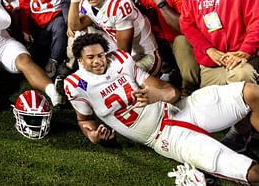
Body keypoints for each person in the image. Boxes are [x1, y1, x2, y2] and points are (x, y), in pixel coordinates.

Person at [64, 32, 259, 184]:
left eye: (100, 55)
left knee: (252, 92)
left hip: (181, 108)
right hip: (163, 137)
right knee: (253, 174)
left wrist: (159, 95)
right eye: (90, 58)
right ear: (80, 61)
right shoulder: (77, 85)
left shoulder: (121, 61)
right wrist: (93, 136)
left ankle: (240, 136)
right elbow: (84, 120)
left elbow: (172, 92)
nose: (98, 61)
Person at [179, 0, 259, 151]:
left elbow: (257, 19)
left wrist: (244, 51)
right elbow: (187, 25)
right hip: (212, 61)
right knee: (211, 112)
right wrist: (209, 50)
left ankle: (241, 133)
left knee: (242, 78)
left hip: (240, 58)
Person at [68, 0, 160, 74]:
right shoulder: (87, 2)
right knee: (81, 32)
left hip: (145, 55)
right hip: (117, 46)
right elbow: (75, 26)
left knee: (117, 78)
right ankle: (83, 73)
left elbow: (124, 53)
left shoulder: (118, 4)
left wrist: (105, 68)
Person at [137, 0, 188, 90]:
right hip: (160, 46)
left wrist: (161, 3)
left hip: (180, 45)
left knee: (181, 41)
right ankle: (165, 71)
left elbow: (184, 28)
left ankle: (188, 86)